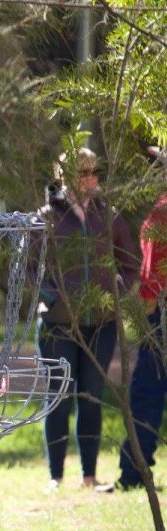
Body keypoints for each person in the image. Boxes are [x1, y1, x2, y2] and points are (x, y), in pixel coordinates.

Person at [37, 147, 138, 491]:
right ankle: (55, 476)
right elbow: (27, 268)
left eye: (95, 171)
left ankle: (89, 476)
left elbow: (129, 264)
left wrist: (114, 292)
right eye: (84, 173)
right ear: (65, 176)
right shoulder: (46, 217)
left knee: (91, 397)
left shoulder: (109, 216)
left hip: (102, 325)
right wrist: (50, 298)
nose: (92, 178)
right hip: (58, 325)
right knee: (58, 397)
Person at [98, 147, 167, 493]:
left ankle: (134, 473)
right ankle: (135, 471)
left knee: (147, 391)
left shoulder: (163, 211)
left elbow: (153, 272)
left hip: (162, 312)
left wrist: (151, 309)